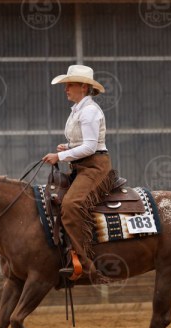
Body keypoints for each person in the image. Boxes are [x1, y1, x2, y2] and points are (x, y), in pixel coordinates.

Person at [42, 65, 114, 281]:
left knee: (71, 205)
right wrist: (68, 147)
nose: (66, 89)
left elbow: (90, 147)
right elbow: (86, 142)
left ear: (83, 87)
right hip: (81, 166)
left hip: (94, 168)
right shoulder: (78, 110)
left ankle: (84, 264)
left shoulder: (89, 111)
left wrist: (60, 156)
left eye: (70, 85)